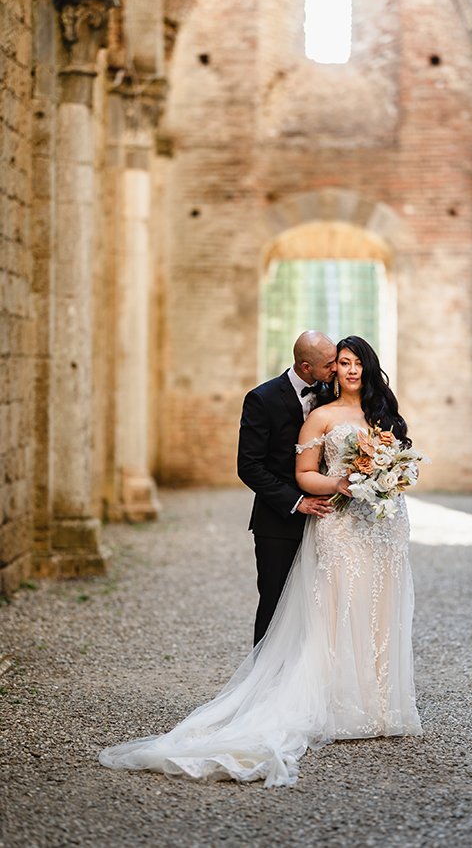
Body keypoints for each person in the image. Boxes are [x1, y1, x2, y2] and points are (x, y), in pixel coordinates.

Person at [99, 335, 422, 787]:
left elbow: (401, 460)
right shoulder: (286, 404)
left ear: (368, 368)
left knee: (377, 607)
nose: (342, 371)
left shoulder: (381, 413)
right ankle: (277, 692)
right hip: (305, 519)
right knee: (295, 607)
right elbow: (257, 467)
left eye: (351, 363)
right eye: (336, 364)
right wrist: (333, 488)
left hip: (381, 529)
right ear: (311, 367)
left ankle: (377, 702)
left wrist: (391, 478)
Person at [237, 330, 338, 645]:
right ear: (306, 367)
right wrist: (298, 501)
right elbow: (249, 466)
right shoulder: (262, 399)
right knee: (275, 605)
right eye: (330, 364)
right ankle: (265, 686)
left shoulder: (331, 394)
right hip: (278, 522)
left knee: (319, 605)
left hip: (328, 520)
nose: (336, 369)